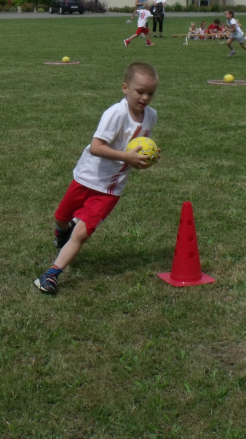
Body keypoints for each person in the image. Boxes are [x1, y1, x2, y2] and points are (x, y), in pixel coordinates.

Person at [34, 62, 159, 294]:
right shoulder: (115, 114)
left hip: (111, 188)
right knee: (61, 217)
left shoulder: (151, 116)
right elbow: (95, 147)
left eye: (150, 93)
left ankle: (51, 275)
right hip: (87, 177)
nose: (145, 97)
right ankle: (61, 231)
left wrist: (145, 159)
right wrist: (126, 157)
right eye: (139, 91)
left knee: (81, 233)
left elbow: (137, 148)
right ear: (125, 88)